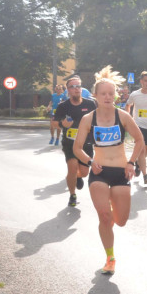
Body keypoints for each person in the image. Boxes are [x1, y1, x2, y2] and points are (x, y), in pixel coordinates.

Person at [72, 66, 144, 275]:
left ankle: (112, 210)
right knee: (104, 217)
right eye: (103, 93)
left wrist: (131, 162)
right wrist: (89, 160)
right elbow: (77, 148)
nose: (107, 97)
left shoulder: (122, 116)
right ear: (94, 95)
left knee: (120, 221)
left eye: (111, 94)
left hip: (121, 172)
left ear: (116, 96)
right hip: (99, 171)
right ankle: (110, 258)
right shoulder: (88, 120)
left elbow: (139, 140)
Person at [53, 75, 97, 207]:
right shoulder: (63, 106)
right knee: (71, 168)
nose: (77, 89)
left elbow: (97, 120)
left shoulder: (90, 103)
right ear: (68, 90)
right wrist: (63, 124)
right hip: (70, 143)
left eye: (79, 86)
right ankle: (72, 195)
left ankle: (78, 177)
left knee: (84, 172)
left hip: (86, 143)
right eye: (73, 86)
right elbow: (54, 123)